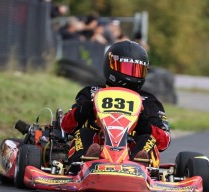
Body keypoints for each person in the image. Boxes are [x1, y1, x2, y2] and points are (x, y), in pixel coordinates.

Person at [61, 40, 171, 169]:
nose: (131, 74)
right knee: (83, 133)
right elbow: (66, 126)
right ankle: (82, 162)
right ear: (110, 65)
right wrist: (85, 109)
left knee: (148, 139)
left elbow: (164, 141)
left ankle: (140, 164)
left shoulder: (148, 101)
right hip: (97, 146)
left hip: (130, 152)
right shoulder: (91, 93)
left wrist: (143, 124)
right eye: (127, 68)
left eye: (137, 70)